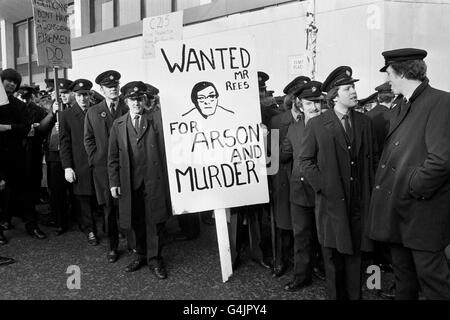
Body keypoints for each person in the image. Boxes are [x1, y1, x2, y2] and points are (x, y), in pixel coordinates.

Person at [368, 48, 450, 300]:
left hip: (421, 213)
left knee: (434, 283)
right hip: (399, 213)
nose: (388, 80)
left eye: (390, 74)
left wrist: (411, 185)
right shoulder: (404, 104)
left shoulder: (440, 102)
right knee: (404, 281)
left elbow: (441, 160)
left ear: (403, 73)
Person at [299, 66, 377, 299]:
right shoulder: (317, 124)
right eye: (348, 88)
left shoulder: (364, 122)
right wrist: (324, 186)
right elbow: (305, 160)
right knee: (332, 258)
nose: (354, 91)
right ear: (334, 95)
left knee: (357, 256)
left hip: (358, 204)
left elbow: (372, 159)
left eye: (353, 87)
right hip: (332, 205)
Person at [108, 81, 170, 279]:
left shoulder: (157, 120)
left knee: (154, 221)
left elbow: (166, 150)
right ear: (125, 101)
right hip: (129, 182)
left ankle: (155, 259)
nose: (136, 102)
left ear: (145, 100)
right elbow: (113, 157)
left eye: (139, 99)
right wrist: (114, 182)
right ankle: (140, 254)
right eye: (132, 99)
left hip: (153, 179)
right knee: (134, 220)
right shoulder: (118, 125)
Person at [281, 80, 324, 291]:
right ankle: (301, 276)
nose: (315, 107)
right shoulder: (294, 128)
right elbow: (283, 155)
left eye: (318, 102)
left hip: (322, 191)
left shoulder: (329, 125)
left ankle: (327, 271)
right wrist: (262, 141)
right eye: (309, 103)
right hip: (299, 192)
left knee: (325, 235)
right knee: (301, 236)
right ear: (299, 103)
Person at [84, 70, 129, 263]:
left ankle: (135, 244)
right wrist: (95, 159)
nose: (113, 89)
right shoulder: (93, 112)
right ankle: (112, 247)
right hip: (103, 169)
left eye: (116, 86)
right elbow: (88, 139)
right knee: (109, 210)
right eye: (109, 87)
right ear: (101, 90)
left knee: (129, 206)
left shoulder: (128, 108)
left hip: (127, 166)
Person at [269, 75, 311, 277]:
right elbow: (273, 161)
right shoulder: (277, 121)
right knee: (283, 223)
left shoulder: (316, 120)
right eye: (300, 97)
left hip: (307, 180)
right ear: (294, 99)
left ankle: (306, 262)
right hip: (284, 180)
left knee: (307, 223)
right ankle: (281, 259)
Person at [59, 79, 98, 245]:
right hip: (79, 163)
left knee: (101, 197)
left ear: (90, 95)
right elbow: (64, 143)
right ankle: (89, 230)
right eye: (79, 95)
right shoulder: (66, 115)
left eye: (85, 95)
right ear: (75, 95)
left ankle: (111, 229)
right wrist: (67, 167)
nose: (83, 99)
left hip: (97, 162)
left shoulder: (96, 112)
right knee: (84, 199)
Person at [0, 69, 36, 239]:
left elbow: (26, 127)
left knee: (24, 189)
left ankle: (31, 225)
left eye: (15, 82)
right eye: (9, 80)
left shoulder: (19, 105)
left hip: (16, 154)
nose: (12, 84)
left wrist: (7, 127)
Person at [43, 78, 74, 235]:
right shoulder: (52, 109)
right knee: (57, 190)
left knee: (74, 190)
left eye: (65, 93)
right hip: (55, 154)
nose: (62, 96)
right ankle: (61, 221)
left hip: (71, 153)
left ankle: (78, 219)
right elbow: (42, 129)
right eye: (59, 93)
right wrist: (52, 114)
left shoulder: (75, 109)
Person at [365, 81, 396, 154]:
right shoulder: (394, 116)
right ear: (392, 98)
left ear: (378, 98)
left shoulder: (365, 116)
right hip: (387, 157)